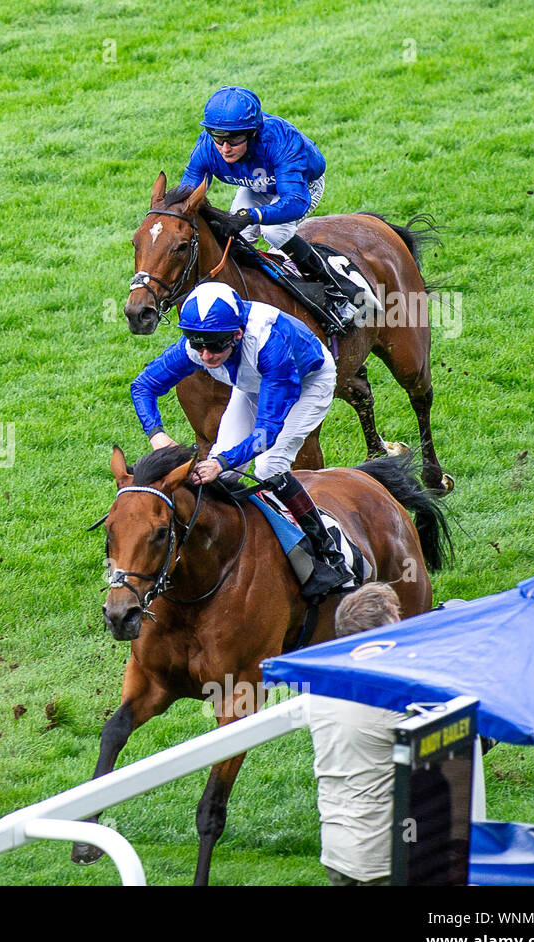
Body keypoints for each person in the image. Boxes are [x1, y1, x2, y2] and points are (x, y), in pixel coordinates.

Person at [130, 281, 353, 600]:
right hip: (250, 384)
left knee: (268, 466)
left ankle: (327, 555)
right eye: (198, 344)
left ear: (237, 334)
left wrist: (220, 462)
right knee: (225, 471)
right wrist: (158, 435)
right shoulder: (201, 343)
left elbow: (266, 433)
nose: (205, 355)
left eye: (215, 345)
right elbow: (142, 387)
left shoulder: (269, 344)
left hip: (307, 382)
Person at [177, 85, 371, 330]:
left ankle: (339, 292)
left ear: (253, 133)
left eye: (234, 139)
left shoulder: (281, 141)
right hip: (257, 184)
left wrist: (254, 215)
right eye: (218, 137)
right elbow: (188, 196)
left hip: (299, 185)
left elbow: (294, 203)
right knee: (236, 237)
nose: (225, 148)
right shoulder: (207, 146)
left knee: (274, 232)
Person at [308, 582, 407, 885]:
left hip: (336, 852)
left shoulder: (320, 691)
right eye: (397, 621)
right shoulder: (392, 700)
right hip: (381, 862)